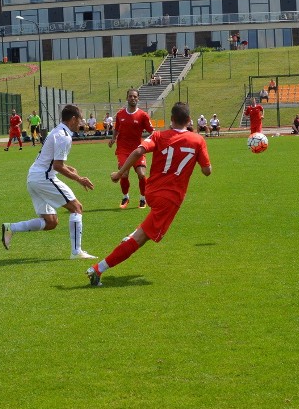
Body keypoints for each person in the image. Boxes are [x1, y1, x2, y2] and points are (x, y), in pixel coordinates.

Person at [86, 102, 212, 287]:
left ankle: (130, 238)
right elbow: (207, 171)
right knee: (140, 239)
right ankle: (98, 269)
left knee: (143, 231)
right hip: (170, 198)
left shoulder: (159, 135)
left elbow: (139, 151)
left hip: (152, 191)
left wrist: (120, 173)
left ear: (171, 119)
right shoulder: (197, 140)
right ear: (189, 120)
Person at [1, 104, 97, 260]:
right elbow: (57, 166)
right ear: (73, 119)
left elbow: (53, 160)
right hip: (43, 178)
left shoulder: (57, 130)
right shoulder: (64, 136)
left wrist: (70, 169)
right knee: (77, 208)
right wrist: (79, 179)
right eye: (79, 119)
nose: (81, 123)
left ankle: (11, 228)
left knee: (51, 222)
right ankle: (76, 252)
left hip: (34, 177)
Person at [109, 88, 154, 209]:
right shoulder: (120, 114)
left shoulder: (143, 115)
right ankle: (125, 197)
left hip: (138, 149)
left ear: (138, 98)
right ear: (127, 98)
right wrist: (113, 139)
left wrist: (148, 143)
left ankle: (143, 199)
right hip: (123, 149)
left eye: (135, 96)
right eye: (130, 96)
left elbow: (152, 131)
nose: (132, 98)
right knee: (124, 174)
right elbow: (117, 129)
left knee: (141, 174)